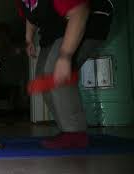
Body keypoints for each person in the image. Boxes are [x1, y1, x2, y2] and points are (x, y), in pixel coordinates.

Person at [17, 0, 114, 149]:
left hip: (89, 21)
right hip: (55, 28)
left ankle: (75, 134)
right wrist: (28, 38)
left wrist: (65, 56)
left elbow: (79, 12)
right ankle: (67, 131)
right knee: (43, 80)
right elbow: (31, 15)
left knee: (54, 74)